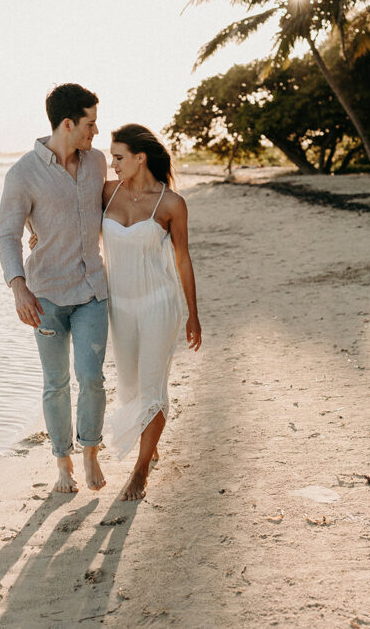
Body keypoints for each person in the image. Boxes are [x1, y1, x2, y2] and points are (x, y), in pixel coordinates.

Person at [0, 83, 109, 494]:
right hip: (44, 295)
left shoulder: (97, 162)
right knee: (56, 382)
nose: (96, 131)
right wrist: (18, 288)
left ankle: (91, 451)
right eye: (90, 123)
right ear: (68, 123)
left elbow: (115, 205)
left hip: (93, 289)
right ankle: (63, 464)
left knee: (92, 377)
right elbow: (7, 234)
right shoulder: (23, 173)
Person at [102, 123, 201, 501]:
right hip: (119, 306)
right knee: (129, 387)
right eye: (112, 157)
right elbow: (66, 216)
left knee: (153, 385)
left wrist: (193, 314)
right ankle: (149, 445)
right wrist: (35, 231)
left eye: (119, 157)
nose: (113, 165)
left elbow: (183, 258)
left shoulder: (171, 203)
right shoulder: (107, 195)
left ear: (139, 158)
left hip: (160, 303)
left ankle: (140, 472)